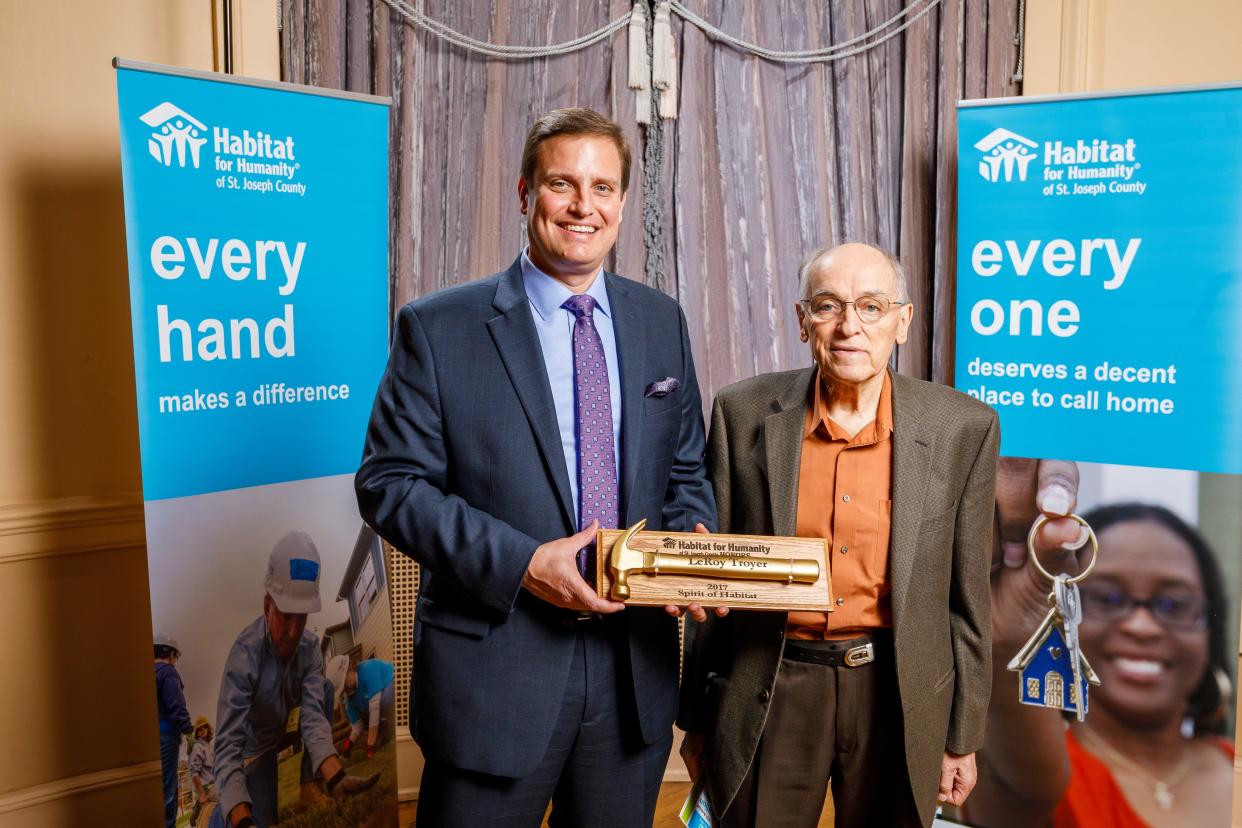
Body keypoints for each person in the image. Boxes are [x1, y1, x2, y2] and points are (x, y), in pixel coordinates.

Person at [356, 107, 716, 826]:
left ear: (621, 202)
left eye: (603, 187)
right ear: (525, 193)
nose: (585, 207)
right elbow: (389, 485)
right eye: (563, 184)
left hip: (631, 678)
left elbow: (685, 472)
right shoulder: (438, 327)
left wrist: (691, 541)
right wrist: (524, 564)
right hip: (494, 676)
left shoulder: (659, 321)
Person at [679, 242, 1000, 827]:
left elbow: (969, 600)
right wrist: (697, 721)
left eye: (872, 307)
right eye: (829, 306)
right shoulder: (741, 412)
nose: (850, 326)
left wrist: (962, 735)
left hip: (898, 691)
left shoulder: (964, 428)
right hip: (770, 680)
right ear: (804, 322)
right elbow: (711, 574)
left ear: (902, 321)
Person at [967, 502, 1235, 828]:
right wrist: (1008, 639)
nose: (1142, 627)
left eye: (1174, 604)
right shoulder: (1039, 772)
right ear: (1063, 609)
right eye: (1107, 598)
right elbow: (1018, 789)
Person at [213, 532, 378, 828]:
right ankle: (213, 817)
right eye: (286, 616)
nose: (293, 631)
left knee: (326, 689)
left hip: (289, 727)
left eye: (301, 617)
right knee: (255, 820)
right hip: (257, 749)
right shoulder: (243, 657)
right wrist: (242, 821)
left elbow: (314, 718)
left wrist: (336, 776)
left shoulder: (310, 648)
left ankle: (310, 786)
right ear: (267, 605)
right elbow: (227, 748)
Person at [154, 632, 193, 828]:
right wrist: (188, 729)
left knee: (157, 786)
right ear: (169, 653)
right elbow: (176, 705)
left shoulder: (149, 672)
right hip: (167, 735)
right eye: (175, 657)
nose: (175, 661)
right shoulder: (168, 672)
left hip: (153, 736)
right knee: (169, 789)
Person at [326, 656, 395, 758]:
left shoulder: (369, 669)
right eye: (342, 689)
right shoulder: (350, 699)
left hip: (396, 683)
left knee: (384, 699)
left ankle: (398, 724)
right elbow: (357, 726)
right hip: (379, 704)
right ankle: (387, 729)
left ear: (350, 669)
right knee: (364, 717)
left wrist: (370, 744)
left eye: (344, 685)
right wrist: (349, 743)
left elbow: (375, 707)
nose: (345, 690)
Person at [188, 716, 216, 826]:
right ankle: (199, 807)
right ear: (197, 733)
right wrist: (202, 795)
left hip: (213, 784)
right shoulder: (198, 747)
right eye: (199, 729)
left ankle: (198, 807)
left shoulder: (210, 745)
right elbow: (194, 773)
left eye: (205, 727)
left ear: (208, 728)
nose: (203, 730)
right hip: (206, 787)